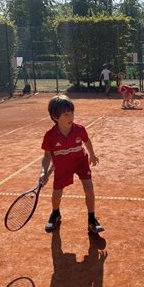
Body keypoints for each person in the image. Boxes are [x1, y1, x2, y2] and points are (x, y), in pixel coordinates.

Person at [39, 95, 104, 234]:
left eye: (72, 113)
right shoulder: (50, 135)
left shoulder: (79, 129)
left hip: (80, 162)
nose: (71, 117)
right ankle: (55, 214)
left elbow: (87, 141)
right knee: (57, 194)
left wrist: (92, 155)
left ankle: (92, 219)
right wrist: (43, 172)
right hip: (62, 166)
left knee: (89, 188)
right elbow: (46, 156)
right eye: (66, 114)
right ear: (55, 117)